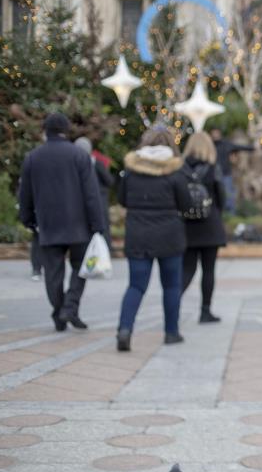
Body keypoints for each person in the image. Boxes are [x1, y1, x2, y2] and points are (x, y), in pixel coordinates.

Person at [18, 113, 106, 331]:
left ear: (45, 130)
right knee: (80, 268)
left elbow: (25, 193)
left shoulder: (32, 157)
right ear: (66, 131)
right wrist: (98, 224)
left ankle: (61, 311)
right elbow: (91, 193)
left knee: (53, 273)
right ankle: (70, 307)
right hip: (79, 223)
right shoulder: (79, 155)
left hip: (48, 223)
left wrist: (28, 219)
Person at [116, 126, 192, 351]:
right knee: (171, 286)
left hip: (138, 235)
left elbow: (122, 200)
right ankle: (171, 333)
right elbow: (186, 204)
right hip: (169, 236)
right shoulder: (175, 172)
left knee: (136, 286)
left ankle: (125, 329)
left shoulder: (131, 171)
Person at [181, 131, 227, 324]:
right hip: (210, 225)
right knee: (209, 270)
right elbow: (221, 197)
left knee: (187, 270)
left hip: (187, 225)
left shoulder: (180, 169)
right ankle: (205, 311)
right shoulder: (212, 168)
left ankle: (173, 304)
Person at [74, 137, 115, 246]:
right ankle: (105, 248)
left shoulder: (74, 164)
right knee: (103, 225)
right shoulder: (96, 163)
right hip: (100, 199)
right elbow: (109, 180)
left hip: (80, 201)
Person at [211, 129, 253, 214]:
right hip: (213, 175)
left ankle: (230, 215)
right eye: (213, 133)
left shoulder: (226, 144)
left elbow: (240, 147)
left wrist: (253, 147)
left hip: (226, 174)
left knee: (229, 196)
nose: (215, 135)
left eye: (216, 133)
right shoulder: (210, 145)